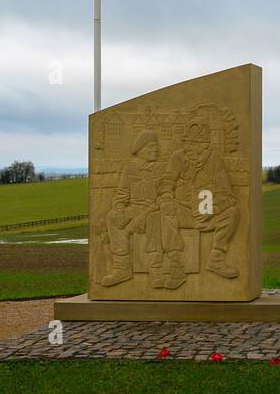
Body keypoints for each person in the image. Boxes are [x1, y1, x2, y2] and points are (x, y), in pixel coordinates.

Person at [101, 130, 185, 289]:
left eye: (156, 147)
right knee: (112, 217)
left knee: (154, 219)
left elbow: (167, 189)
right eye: (152, 147)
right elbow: (122, 193)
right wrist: (119, 207)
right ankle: (122, 268)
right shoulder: (130, 168)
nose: (156, 150)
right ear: (141, 148)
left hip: (153, 209)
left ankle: (155, 270)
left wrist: (163, 199)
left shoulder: (161, 169)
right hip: (133, 209)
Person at [167, 118, 241, 279]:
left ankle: (216, 259)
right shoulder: (178, 157)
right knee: (165, 211)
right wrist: (166, 198)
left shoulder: (214, 160)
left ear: (204, 146)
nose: (187, 147)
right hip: (181, 210)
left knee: (232, 213)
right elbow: (166, 183)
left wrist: (212, 209)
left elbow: (229, 196)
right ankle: (174, 263)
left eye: (192, 144)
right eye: (186, 143)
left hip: (205, 212)